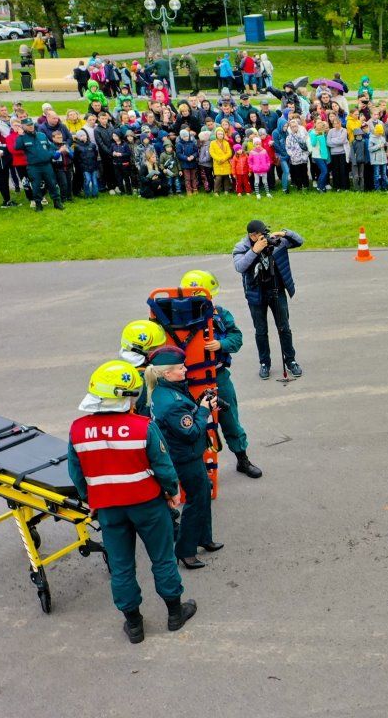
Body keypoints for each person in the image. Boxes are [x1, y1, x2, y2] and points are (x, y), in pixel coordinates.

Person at [67, 360, 196, 642]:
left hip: (109, 510)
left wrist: (91, 500)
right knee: (162, 558)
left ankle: (134, 625)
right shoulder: (142, 426)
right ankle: (175, 614)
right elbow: (163, 466)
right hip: (147, 505)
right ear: (128, 397)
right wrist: (173, 492)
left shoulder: (78, 430)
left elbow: (77, 474)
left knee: (121, 565)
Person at [145, 346, 224, 569]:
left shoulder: (165, 391)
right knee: (196, 499)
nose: (185, 369)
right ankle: (186, 551)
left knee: (202, 494)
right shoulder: (173, 402)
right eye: (181, 367)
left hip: (182, 454)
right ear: (167, 373)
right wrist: (203, 410)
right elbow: (190, 432)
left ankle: (204, 538)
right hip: (185, 457)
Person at [180, 270, 262, 478]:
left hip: (218, 376)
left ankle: (242, 459)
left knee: (230, 419)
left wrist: (221, 344)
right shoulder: (175, 318)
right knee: (189, 424)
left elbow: (237, 338)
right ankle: (194, 469)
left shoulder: (220, 315)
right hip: (188, 381)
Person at [233, 219, 305, 379]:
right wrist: (254, 251)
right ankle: (264, 363)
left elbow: (299, 241)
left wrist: (284, 233)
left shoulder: (274, 241)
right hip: (255, 293)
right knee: (261, 330)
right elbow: (239, 267)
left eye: (261, 234)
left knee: (284, 327)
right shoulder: (242, 247)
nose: (258, 237)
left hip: (276, 290)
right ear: (250, 235)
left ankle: (291, 361)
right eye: (254, 235)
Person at [13, 118, 63, 211]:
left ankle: (57, 202)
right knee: (36, 186)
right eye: (28, 125)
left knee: (52, 183)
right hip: (34, 167)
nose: (31, 126)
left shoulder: (41, 135)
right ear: (23, 127)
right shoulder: (23, 137)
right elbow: (16, 147)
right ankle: (38, 204)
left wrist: (51, 154)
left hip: (46, 165)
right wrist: (20, 136)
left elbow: (51, 146)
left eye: (31, 124)